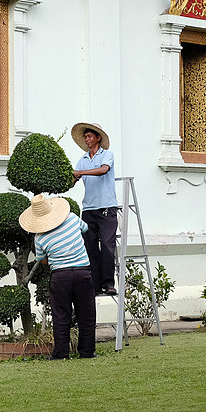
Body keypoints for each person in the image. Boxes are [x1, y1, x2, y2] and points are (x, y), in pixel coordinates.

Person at [19, 194, 96, 359]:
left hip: (60, 276)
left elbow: (44, 260)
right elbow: (85, 229)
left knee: (61, 315)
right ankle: (87, 351)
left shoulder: (39, 238)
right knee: (86, 314)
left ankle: (61, 353)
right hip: (83, 271)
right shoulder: (73, 219)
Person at [71, 122, 118, 296]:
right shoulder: (82, 159)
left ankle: (108, 283)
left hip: (107, 207)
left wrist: (81, 173)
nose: (87, 139)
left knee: (107, 245)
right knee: (90, 247)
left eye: (90, 136)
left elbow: (103, 170)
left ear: (98, 137)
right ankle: (96, 285)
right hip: (89, 209)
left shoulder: (107, 155)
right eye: (85, 137)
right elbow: (72, 180)